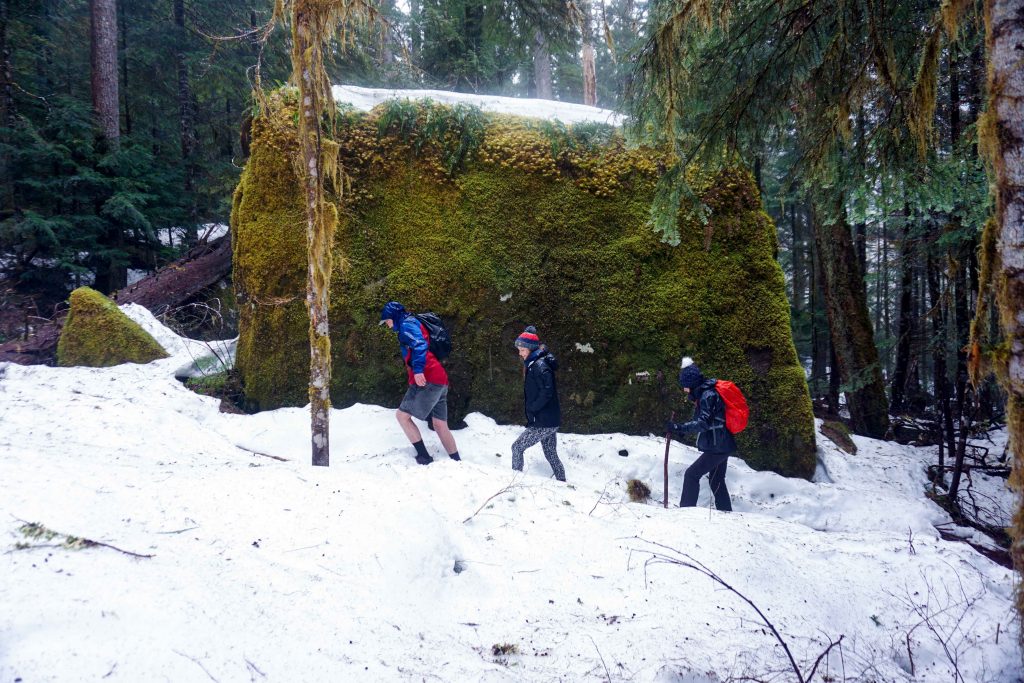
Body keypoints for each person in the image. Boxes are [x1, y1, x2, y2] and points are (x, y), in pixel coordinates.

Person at [379, 301, 460, 465]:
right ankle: (457, 461)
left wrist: (418, 371)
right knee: (439, 424)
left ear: (394, 317)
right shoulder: (413, 322)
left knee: (402, 416)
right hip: (440, 379)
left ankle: (424, 457)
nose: (387, 325)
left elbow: (420, 345)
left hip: (428, 379)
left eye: (387, 320)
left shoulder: (406, 326)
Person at [665, 357, 734, 511]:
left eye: (685, 386)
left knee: (691, 475)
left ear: (692, 383)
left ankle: (686, 512)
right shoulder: (705, 393)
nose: (684, 389)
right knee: (716, 480)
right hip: (721, 443)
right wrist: (683, 431)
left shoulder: (707, 395)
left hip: (719, 446)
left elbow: (703, 423)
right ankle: (726, 513)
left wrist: (679, 427)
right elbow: (709, 421)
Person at [511, 326, 566, 482]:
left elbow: (547, 392)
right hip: (549, 420)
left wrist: (533, 407)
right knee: (551, 454)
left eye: (522, 349)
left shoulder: (539, 366)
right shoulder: (534, 363)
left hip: (544, 421)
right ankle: (562, 483)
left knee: (517, 447)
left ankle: (514, 481)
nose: (519, 353)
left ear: (530, 348)